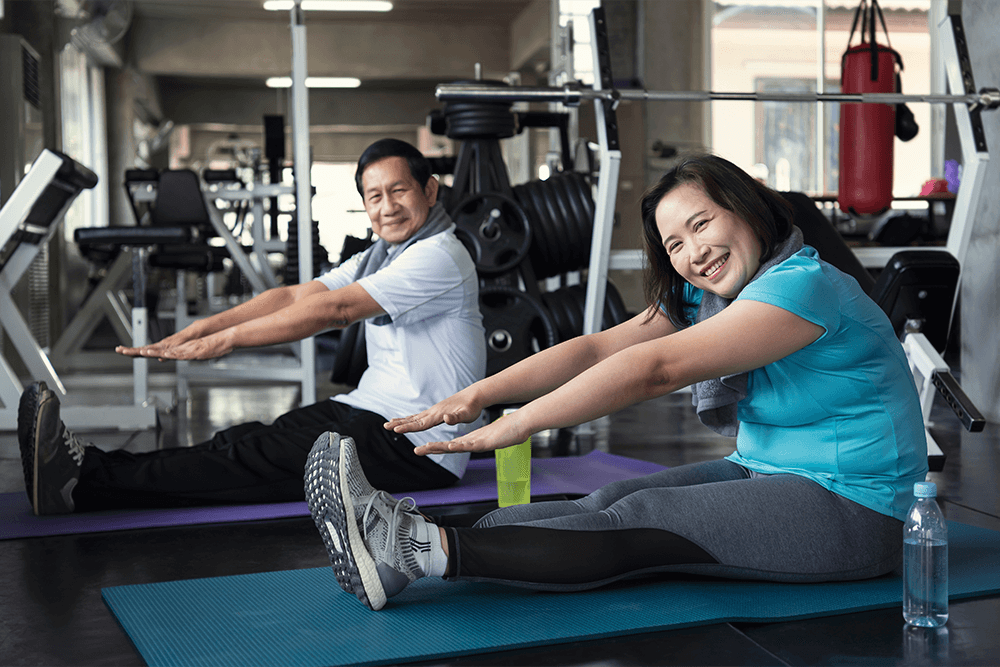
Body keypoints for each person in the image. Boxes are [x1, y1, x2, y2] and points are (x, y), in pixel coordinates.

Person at [302, 153, 928, 612]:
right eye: (674, 244)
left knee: (644, 517)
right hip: (764, 470)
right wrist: (480, 395)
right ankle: (416, 550)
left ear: (746, 207)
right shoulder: (710, 294)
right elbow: (598, 346)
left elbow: (656, 368)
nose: (694, 254)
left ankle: (416, 548)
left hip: (858, 510)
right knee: (605, 501)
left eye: (702, 224)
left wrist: (518, 424)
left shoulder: (804, 287)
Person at [17, 138, 486, 516]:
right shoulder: (381, 254)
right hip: (369, 410)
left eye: (399, 191)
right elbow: (296, 296)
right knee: (239, 440)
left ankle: (82, 486)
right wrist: (206, 326)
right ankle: (89, 466)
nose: (387, 207)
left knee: (250, 460)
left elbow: (337, 310)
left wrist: (227, 341)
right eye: (374, 196)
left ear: (430, 191)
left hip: (419, 447)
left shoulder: (439, 254)